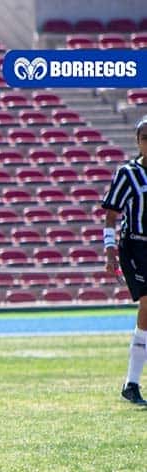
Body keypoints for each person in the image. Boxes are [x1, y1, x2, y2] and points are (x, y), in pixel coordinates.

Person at [102, 115, 147, 405]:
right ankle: (131, 382)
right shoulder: (128, 173)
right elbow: (110, 214)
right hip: (136, 247)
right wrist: (109, 250)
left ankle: (131, 383)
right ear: (138, 141)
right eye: (146, 138)